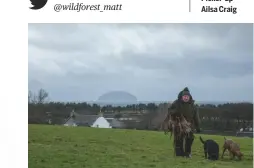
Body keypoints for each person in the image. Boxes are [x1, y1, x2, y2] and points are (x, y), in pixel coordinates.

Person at [168, 87, 201, 158]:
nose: (186, 98)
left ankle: (187, 153)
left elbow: (196, 117)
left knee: (190, 139)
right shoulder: (177, 103)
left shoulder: (193, 106)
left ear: (189, 97)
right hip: (178, 124)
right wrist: (175, 111)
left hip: (189, 125)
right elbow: (170, 111)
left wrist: (198, 127)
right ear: (182, 97)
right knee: (178, 140)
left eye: (187, 96)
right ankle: (179, 154)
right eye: (184, 96)